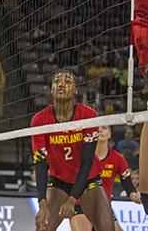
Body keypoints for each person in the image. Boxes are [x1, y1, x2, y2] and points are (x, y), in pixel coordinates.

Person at [31, 70, 113, 231]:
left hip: (89, 180)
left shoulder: (89, 115)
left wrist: (72, 199)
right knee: (42, 228)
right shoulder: (39, 120)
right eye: (56, 81)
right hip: (59, 181)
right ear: (52, 88)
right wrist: (42, 202)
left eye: (67, 82)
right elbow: (40, 163)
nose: (61, 84)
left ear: (76, 89)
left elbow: (87, 161)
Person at [70, 125, 140, 231]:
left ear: (110, 134)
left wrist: (133, 194)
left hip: (104, 207)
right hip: (80, 205)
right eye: (97, 128)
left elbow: (127, 182)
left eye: (104, 128)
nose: (100, 130)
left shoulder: (118, 158)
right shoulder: (80, 155)